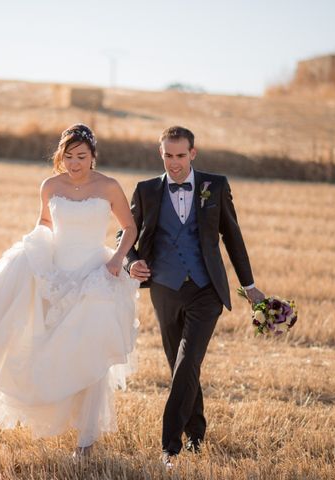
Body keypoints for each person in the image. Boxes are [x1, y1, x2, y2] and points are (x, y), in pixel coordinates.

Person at [0, 123, 140, 458]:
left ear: (93, 157)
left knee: (91, 354)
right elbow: (45, 223)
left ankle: (86, 442)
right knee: (48, 348)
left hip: (96, 277)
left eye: (81, 156)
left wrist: (118, 260)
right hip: (57, 276)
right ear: (60, 157)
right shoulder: (50, 186)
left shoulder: (109, 186)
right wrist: (32, 251)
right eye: (68, 157)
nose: (74, 163)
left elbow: (129, 227)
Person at [121, 126, 264, 469]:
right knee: (180, 367)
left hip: (206, 289)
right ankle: (197, 434)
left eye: (180, 155)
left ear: (193, 154)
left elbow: (233, 236)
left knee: (187, 363)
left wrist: (249, 285)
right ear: (161, 154)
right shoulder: (146, 190)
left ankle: (170, 448)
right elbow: (124, 236)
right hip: (164, 289)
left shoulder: (215, 186)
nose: (174, 163)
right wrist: (131, 262)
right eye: (168, 156)